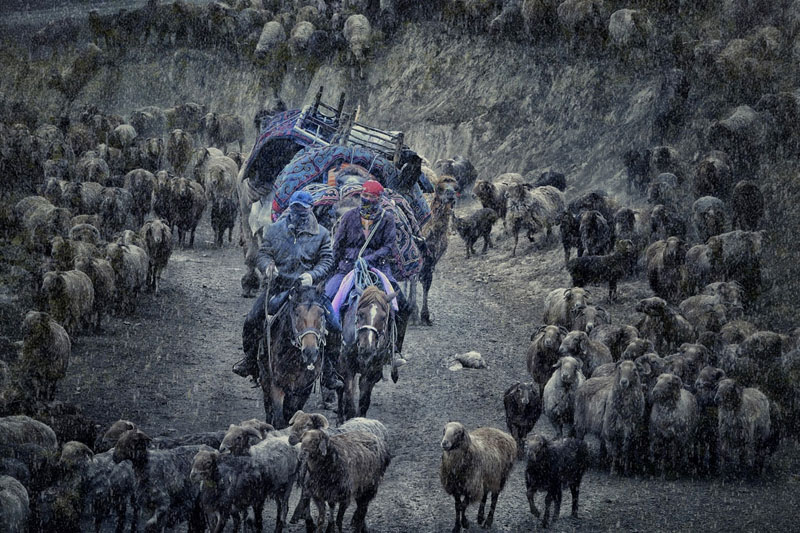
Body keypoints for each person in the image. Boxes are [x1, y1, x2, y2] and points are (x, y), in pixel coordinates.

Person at [235, 190, 343, 390]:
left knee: (335, 326)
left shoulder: (321, 234)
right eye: (295, 209)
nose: (298, 214)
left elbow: (327, 260)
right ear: (290, 209)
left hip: (310, 292)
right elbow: (264, 253)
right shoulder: (274, 230)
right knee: (252, 319)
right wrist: (267, 267)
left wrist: (312, 275)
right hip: (280, 287)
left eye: (303, 211)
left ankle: (329, 370)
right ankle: (250, 360)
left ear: (311, 210)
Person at [324, 180, 411, 365]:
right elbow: (338, 245)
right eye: (365, 195)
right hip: (348, 267)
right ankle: (328, 348)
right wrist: (333, 269)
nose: (367, 199)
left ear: (379, 199)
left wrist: (368, 259)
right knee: (328, 297)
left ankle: (395, 350)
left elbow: (388, 246)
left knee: (403, 305)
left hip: (378, 268)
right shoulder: (349, 217)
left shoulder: (387, 219)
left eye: (372, 197)